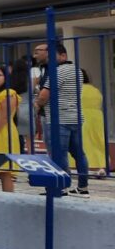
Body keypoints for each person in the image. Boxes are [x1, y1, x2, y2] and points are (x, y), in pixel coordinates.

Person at [34, 43, 90, 197]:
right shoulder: (77, 71)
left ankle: (61, 187)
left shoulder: (56, 72)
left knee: (59, 154)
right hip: (75, 117)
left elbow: (44, 95)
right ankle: (83, 188)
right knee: (79, 153)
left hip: (58, 118)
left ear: (63, 56)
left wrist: (37, 104)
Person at [80, 70, 107, 176]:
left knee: (85, 143)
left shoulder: (77, 89)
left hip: (83, 117)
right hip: (97, 118)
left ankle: (89, 166)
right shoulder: (95, 90)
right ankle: (101, 166)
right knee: (98, 142)